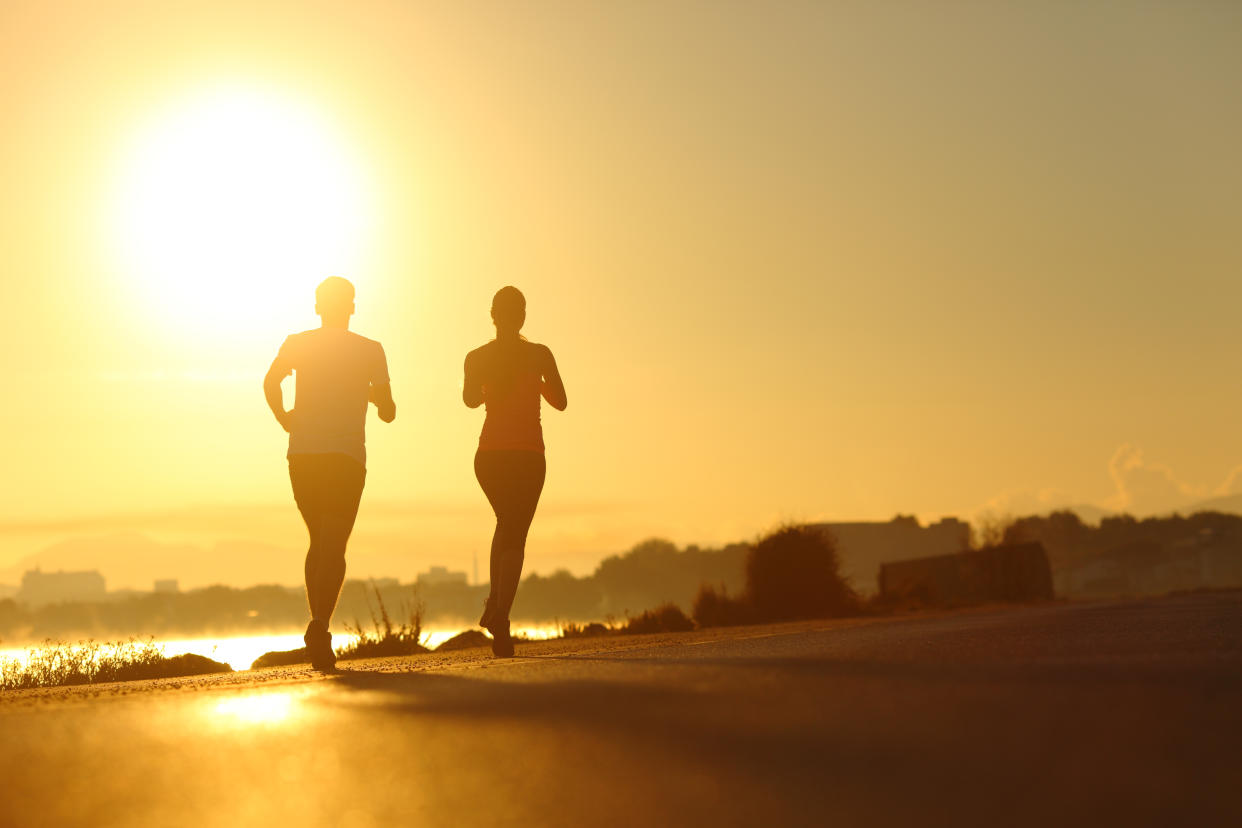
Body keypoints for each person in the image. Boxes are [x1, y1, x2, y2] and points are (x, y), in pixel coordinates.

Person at [264, 277, 395, 671]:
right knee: (334, 542)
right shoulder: (371, 350)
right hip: (345, 457)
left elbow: (271, 381)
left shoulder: (297, 343)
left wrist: (284, 417)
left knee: (318, 538)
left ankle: (317, 626)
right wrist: (373, 396)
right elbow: (388, 409)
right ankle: (319, 626)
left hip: (302, 454)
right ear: (352, 307)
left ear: (318, 307)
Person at [463, 286, 567, 657]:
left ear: (493, 316)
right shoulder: (539, 355)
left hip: (489, 456)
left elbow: (470, 400)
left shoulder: (476, 357)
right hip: (526, 455)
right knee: (514, 533)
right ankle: (501, 618)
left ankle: (495, 605)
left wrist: (493, 380)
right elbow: (561, 402)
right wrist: (534, 379)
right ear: (522, 316)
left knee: (505, 524)